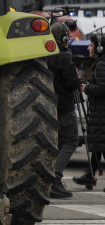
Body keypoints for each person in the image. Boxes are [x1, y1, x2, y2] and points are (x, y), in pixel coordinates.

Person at [48, 22, 81, 198]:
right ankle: (55, 179)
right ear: (65, 38)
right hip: (65, 106)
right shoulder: (64, 57)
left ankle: (49, 178)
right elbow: (72, 83)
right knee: (71, 141)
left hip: (50, 107)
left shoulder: (45, 56)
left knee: (59, 142)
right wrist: (77, 77)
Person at [74, 34, 105, 189]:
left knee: (100, 145)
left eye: (91, 45)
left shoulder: (101, 64)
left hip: (101, 113)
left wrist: (87, 88)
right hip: (99, 112)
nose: (88, 48)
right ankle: (90, 177)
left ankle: (90, 176)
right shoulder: (100, 63)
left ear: (99, 48)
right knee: (98, 145)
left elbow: (102, 88)